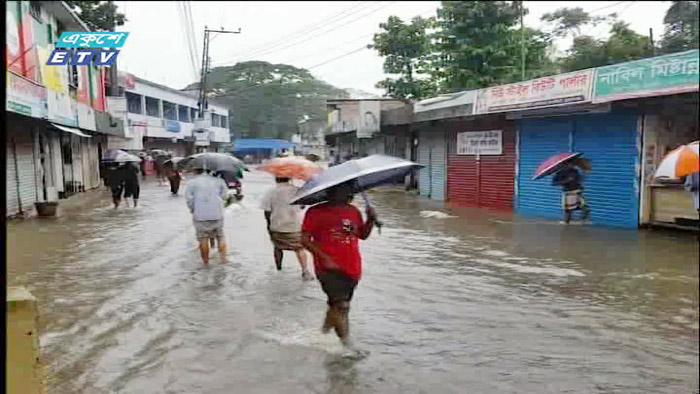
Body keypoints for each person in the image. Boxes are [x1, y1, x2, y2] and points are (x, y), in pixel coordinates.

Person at [301, 181, 376, 349]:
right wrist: (324, 257)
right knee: (342, 305)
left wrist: (370, 220)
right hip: (328, 268)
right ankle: (347, 347)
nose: (346, 192)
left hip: (352, 267)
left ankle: (323, 333)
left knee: (338, 306)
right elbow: (304, 239)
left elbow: (362, 235)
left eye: (348, 189)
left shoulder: (353, 211)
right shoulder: (315, 212)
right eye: (341, 188)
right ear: (331, 190)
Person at [261, 177, 313, 280]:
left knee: (277, 247)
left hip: (276, 225)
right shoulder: (297, 190)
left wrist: (269, 225)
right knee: (299, 248)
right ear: (289, 178)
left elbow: (267, 211)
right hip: (293, 226)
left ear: (276, 179)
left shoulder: (270, 191)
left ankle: (279, 269)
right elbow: (302, 206)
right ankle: (305, 271)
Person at [186, 168, 229, 264]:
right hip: (217, 214)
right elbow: (224, 196)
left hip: (200, 215)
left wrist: (194, 209)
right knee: (220, 236)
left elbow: (189, 200)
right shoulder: (219, 181)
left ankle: (206, 262)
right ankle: (223, 259)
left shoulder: (192, 183)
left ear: (196, 171)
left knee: (203, 238)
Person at [552, 158, 590, 224]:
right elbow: (554, 183)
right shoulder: (559, 173)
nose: (571, 165)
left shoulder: (575, 171)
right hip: (568, 192)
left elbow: (578, 180)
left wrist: (582, 179)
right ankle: (567, 222)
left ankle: (583, 220)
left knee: (584, 207)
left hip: (577, 191)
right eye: (568, 164)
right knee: (568, 210)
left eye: (571, 164)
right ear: (564, 165)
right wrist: (566, 181)